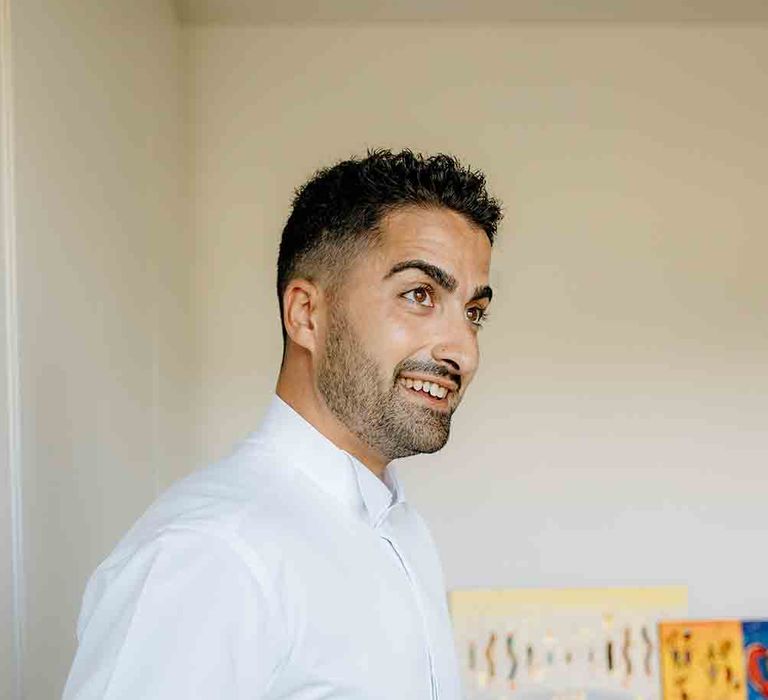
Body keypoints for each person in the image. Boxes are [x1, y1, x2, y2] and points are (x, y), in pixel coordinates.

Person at [63, 149, 502, 699]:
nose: (462, 349)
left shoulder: (404, 534)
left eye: (474, 312)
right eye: (419, 295)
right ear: (306, 315)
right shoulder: (208, 554)